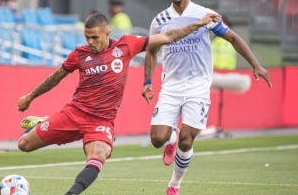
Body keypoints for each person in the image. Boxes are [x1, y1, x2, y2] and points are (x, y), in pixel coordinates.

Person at [17, 12, 221, 195]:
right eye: (87, 37)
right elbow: (56, 76)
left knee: (99, 155)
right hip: (73, 113)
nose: (90, 42)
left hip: (101, 121)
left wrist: (198, 24)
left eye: (94, 37)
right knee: (23, 145)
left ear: (107, 33)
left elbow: (167, 36)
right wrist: (30, 97)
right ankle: (43, 122)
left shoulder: (125, 46)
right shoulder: (79, 55)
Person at [142, 0, 272, 195]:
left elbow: (232, 37)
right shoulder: (160, 20)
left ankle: (174, 184)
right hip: (171, 86)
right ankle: (169, 141)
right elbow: (152, 51)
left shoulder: (206, 15)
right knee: (157, 139)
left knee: (187, 140)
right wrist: (147, 81)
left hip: (198, 87)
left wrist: (255, 64)